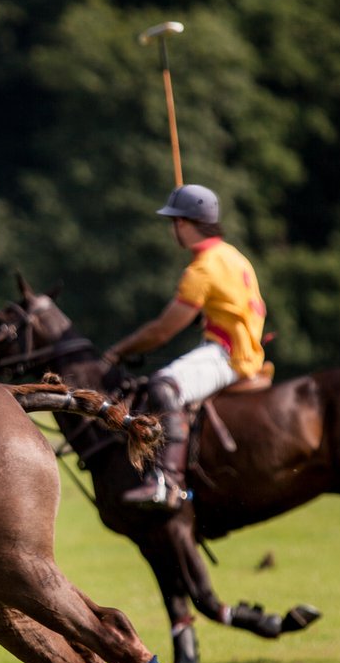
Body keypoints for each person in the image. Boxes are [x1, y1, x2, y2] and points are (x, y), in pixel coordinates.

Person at [101, 184, 267, 510]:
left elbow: (163, 330)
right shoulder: (232, 256)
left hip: (228, 355)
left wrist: (118, 351)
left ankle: (166, 481)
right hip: (244, 346)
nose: (172, 229)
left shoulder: (201, 269)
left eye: (173, 221)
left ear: (184, 223)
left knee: (164, 385)